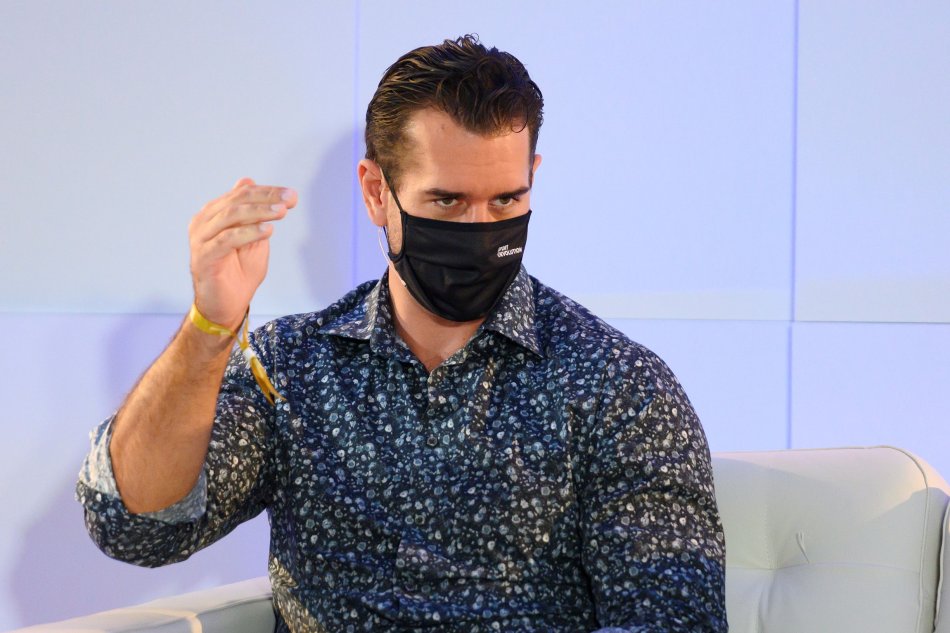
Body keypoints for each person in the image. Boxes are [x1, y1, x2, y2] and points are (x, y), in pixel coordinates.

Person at [78, 35, 727, 632]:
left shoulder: (617, 386)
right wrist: (210, 326)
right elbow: (134, 524)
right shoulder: (295, 367)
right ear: (375, 193)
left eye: (505, 201)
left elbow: (672, 618)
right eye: (447, 201)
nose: (481, 231)